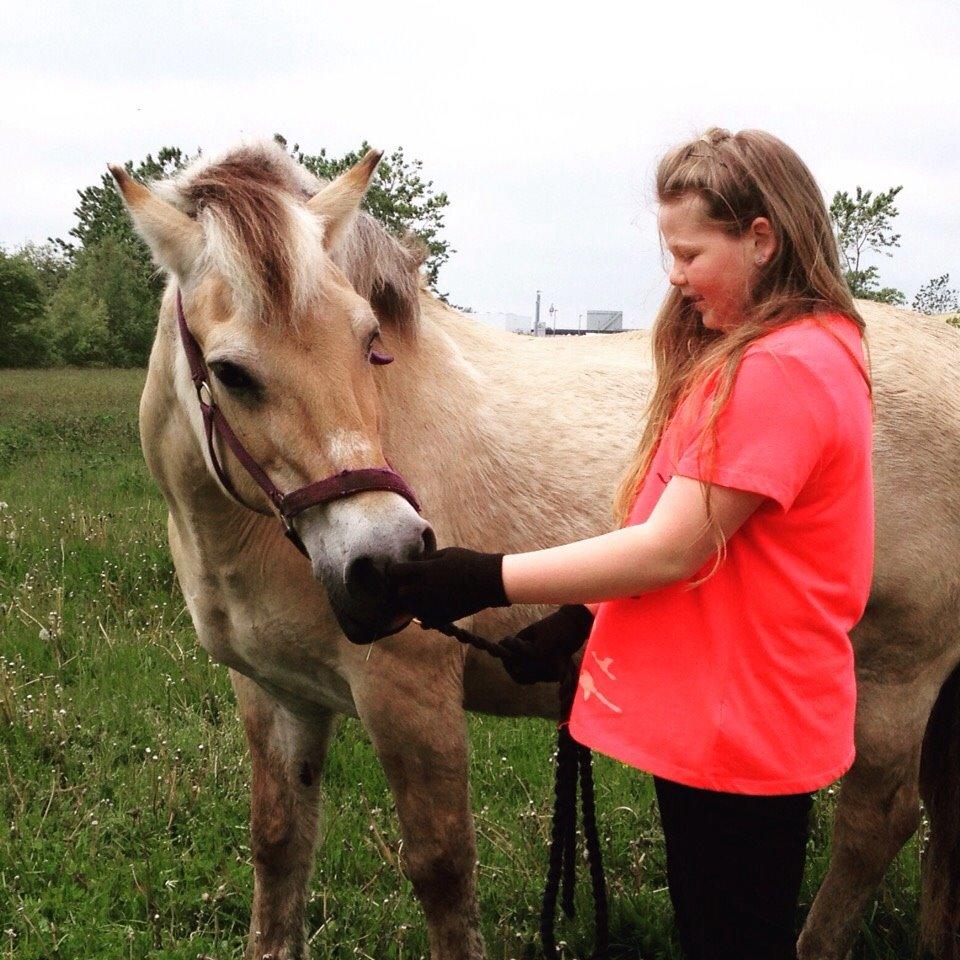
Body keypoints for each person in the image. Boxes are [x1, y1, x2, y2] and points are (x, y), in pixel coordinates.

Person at [384, 127, 874, 960]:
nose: (674, 276)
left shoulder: (779, 371)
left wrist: (483, 578)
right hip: (730, 707)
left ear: (762, 238)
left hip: (737, 721)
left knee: (729, 935)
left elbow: (671, 550)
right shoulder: (779, 352)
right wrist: (585, 615)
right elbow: (695, 531)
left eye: (689, 252)